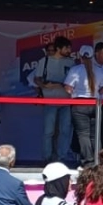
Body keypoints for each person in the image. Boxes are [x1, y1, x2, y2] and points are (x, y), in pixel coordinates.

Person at [65, 45, 103, 165]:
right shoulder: (99, 70)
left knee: (83, 134)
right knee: (95, 134)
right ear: (93, 56)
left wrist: (74, 93)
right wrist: (97, 93)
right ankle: (98, 160)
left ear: (80, 56)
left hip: (79, 104)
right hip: (95, 104)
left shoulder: (75, 70)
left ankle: (88, 160)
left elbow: (68, 87)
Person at [35, 37, 74, 165]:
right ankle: (47, 158)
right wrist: (45, 86)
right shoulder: (44, 61)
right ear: (59, 48)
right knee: (49, 131)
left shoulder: (71, 62)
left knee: (65, 131)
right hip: (50, 100)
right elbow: (37, 79)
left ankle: (62, 157)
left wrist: (62, 85)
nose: (69, 50)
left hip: (66, 101)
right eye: (66, 48)